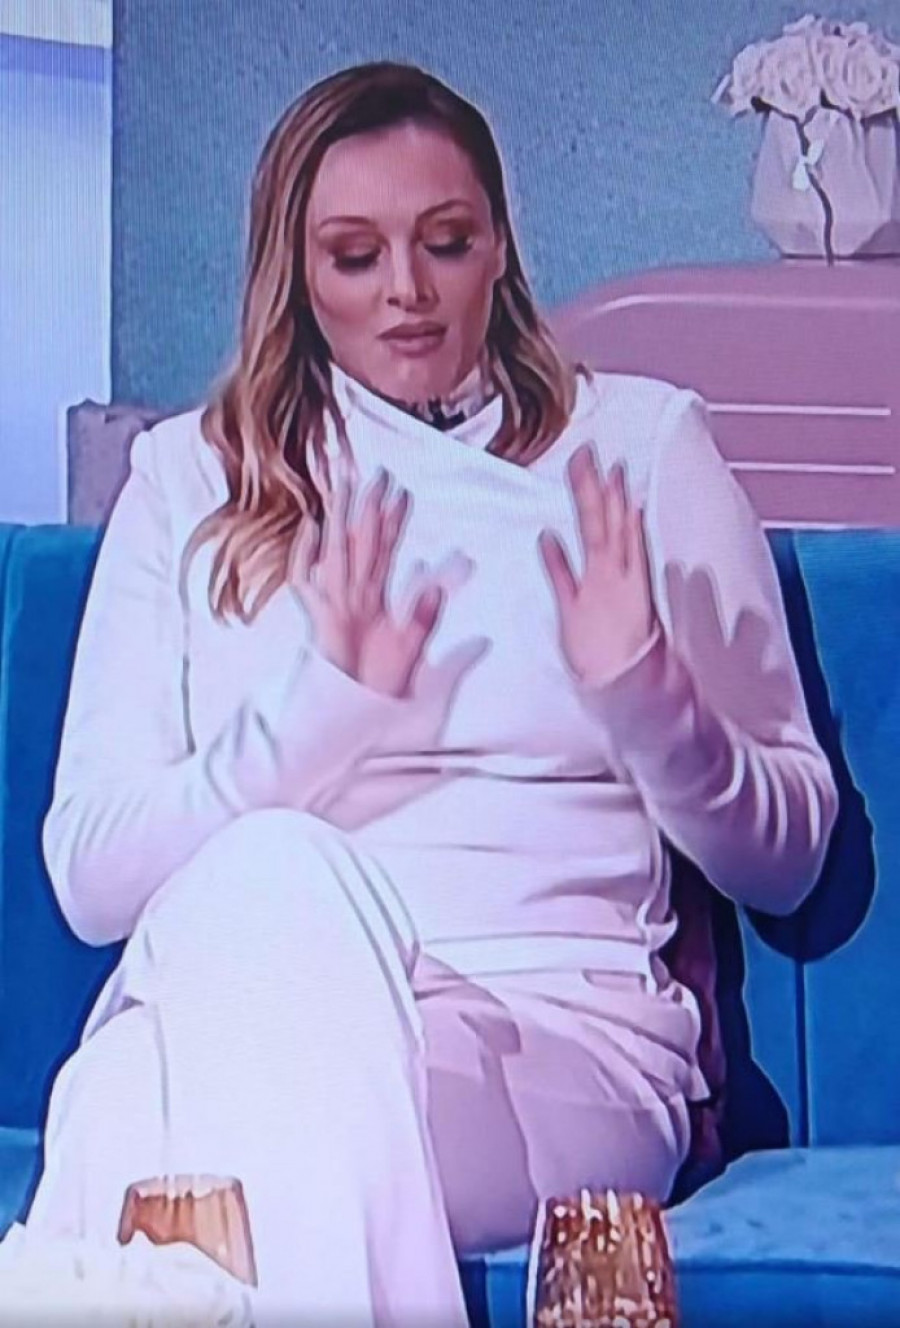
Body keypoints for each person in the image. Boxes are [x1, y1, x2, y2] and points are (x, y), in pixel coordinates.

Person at [23, 60, 837, 1326]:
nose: (406, 290)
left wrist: (647, 700)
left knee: (137, 1110)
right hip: (244, 991)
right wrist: (319, 714)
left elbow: (787, 858)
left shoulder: (638, 447)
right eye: (355, 257)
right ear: (297, 275)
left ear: (498, 246)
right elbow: (92, 875)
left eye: (444, 242)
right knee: (261, 896)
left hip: (556, 1038)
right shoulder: (191, 478)